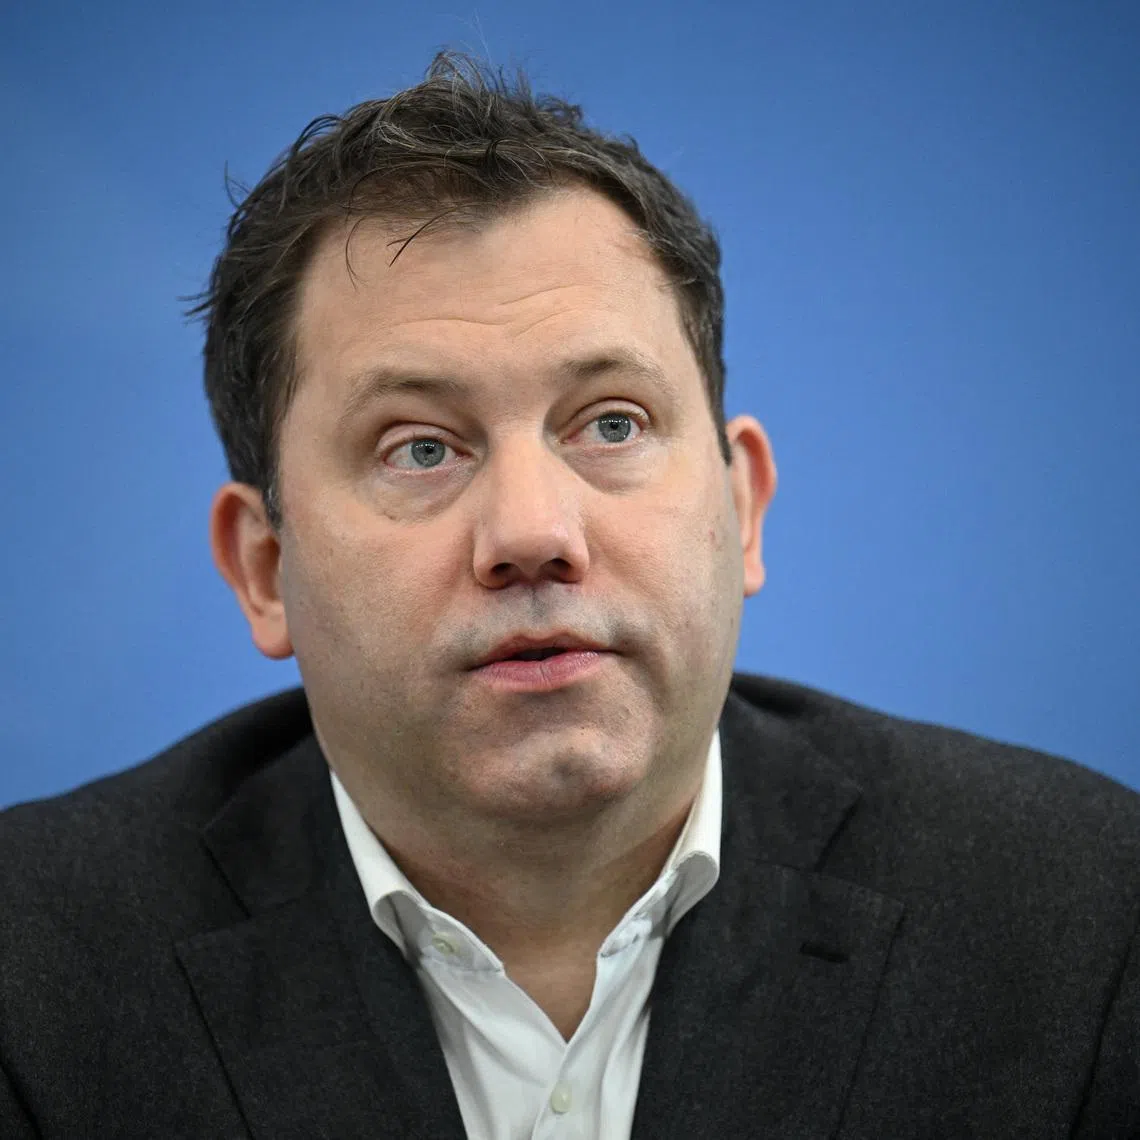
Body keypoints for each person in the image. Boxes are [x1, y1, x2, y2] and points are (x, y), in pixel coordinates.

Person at [1, 51, 1137, 1140]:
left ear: (742, 508)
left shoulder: (1083, 919)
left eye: (610, 423)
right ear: (263, 568)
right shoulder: (33, 973)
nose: (535, 535)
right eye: (418, 448)